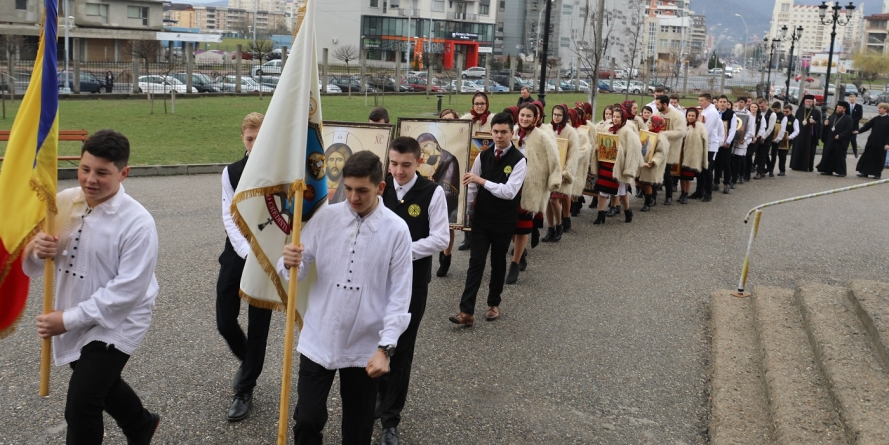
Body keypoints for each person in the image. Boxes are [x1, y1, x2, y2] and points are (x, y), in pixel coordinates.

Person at [25, 129, 160, 444]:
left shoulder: (139, 224)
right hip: (73, 306)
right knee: (101, 383)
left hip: (120, 319)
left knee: (82, 403)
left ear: (123, 173)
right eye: (85, 169)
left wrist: (66, 320)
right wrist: (37, 248)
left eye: (102, 173)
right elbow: (34, 257)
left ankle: (138, 425)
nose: (90, 179)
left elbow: (126, 292)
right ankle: (140, 424)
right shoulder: (62, 203)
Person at [278, 151, 413, 445]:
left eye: (362, 190)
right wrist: (288, 261)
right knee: (307, 419)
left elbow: (400, 295)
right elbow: (295, 274)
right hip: (320, 334)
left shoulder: (397, 230)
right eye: (348, 189)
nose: (353, 197)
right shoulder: (324, 218)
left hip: (366, 343)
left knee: (358, 427)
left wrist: (385, 348)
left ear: (380, 187)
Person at [378, 137, 450, 445]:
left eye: (405, 165)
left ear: (418, 163)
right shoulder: (381, 188)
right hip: (378, 283)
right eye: (393, 164)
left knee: (401, 350)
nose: (398, 171)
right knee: (377, 344)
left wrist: (401, 251)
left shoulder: (432, 193)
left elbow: (440, 238)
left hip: (412, 284)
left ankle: (390, 419)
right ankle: (376, 401)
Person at [217, 112, 273, 422]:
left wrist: (263, 255)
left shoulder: (278, 173)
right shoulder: (231, 172)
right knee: (225, 321)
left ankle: (245, 388)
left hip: (267, 258)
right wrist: (246, 251)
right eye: (250, 138)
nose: (254, 143)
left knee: (258, 325)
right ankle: (250, 361)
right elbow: (229, 214)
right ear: (243, 138)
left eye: (260, 138)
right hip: (237, 253)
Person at [450, 112, 527, 326]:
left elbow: (509, 191)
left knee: (498, 261)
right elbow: (471, 184)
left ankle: (494, 304)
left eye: (504, 132)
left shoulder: (519, 160)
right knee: (476, 261)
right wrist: (468, 211)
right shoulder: (483, 156)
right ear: (490, 132)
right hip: (482, 218)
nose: (499, 136)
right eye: (495, 131)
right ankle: (466, 311)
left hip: (504, 219)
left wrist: (481, 181)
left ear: (512, 133)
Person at [506, 103, 560, 283]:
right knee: (511, 224)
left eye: (529, 116)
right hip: (511, 183)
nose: (524, 119)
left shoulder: (543, 136)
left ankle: (514, 263)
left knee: (522, 225)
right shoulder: (512, 132)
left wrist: (554, 179)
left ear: (536, 118)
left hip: (531, 185)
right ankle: (520, 254)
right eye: (522, 115)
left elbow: (554, 159)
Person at [591, 104, 643, 223]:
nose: (614, 119)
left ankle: (627, 211)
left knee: (622, 192)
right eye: (614, 116)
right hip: (606, 164)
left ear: (623, 118)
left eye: (618, 117)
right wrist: (598, 147)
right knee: (602, 190)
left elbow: (634, 150)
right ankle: (600, 215)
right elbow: (602, 141)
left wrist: (621, 151)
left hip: (619, 166)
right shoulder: (607, 128)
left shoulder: (627, 132)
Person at [542, 104, 581, 241]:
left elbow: (573, 155)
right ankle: (550, 228)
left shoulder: (570, 132)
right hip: (548, 170)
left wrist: (567, 173)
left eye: (559, 115)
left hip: (561, 171)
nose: (556, 117)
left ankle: (560, 224)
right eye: (554, 114)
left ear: (564, 116)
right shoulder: (546, 129)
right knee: (547, 199)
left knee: (554, 199)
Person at [435, 108, 462, 277]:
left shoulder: (460, 139)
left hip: (447, 182)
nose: (447, 123)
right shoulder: (434, 140)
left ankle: (446, 256)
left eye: (451, 120)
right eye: (444, 120)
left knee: (448, 224)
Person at [656, 95, 687, 206]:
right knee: (655, 172)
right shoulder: (656, 114)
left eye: (658, 104)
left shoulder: (677, 115)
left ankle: (668, 196)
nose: (656, 106)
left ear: (664, 104)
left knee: (666, 173)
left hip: (670, 148)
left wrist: (664, 134)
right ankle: (653, 197)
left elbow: (681, 131)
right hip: (657, 148)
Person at [637, 115, 669, 211]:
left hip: (650, 164)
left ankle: (647, 203)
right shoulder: (645, 134)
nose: (648, 124)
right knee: (640, 181)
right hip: (643, 161)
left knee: (647, 183)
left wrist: (654, 160)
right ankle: (648, 196)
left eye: (651, 123)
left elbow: (661, 152)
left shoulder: (660, 138)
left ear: (656, 124)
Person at [694, 93, 721, 202]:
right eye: (699, 100)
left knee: (707, 169)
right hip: (702, 144)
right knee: (699, 169)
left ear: (708, 101)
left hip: (709, 145)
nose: (700, 102)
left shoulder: (712, 112)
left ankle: (708, 193)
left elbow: (706, 129)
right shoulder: (704, 110)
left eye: (702, 100)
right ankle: (699, 191)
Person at [677, 107, 708, 204]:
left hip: (692, 155)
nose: (690, 117)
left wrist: (703, 156)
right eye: (689, 115)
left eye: (692, 116)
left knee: (688, 176)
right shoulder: (683, 125)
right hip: (681, 154)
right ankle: (682, 192)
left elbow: (704, 141)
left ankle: (686, 193)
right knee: (681, 176)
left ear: (696, 116)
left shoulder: (700, 126)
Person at [816, 100, 854, 177]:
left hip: (840, 141)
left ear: (844, 109)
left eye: (840, 108)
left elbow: (849, 130)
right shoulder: (832, 116)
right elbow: (827, 128)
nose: (838, 109)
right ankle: (828, 170)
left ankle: (841, 172)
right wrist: (825, 125)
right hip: (830, 139)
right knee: (828, 155)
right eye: (837, 107)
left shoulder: (848, 118)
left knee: (839, 156)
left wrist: (840, 135)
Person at [854, 102, 889, 179]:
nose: (878, 110)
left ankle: (877, 173)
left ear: (885, 109)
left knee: (878, 158)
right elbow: (867, 126)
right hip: (872, 141)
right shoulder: (876, 118)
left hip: (881, 143)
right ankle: (864, 172)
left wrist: (887, 144)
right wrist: (858, 131)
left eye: (880, 108)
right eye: (878, 108)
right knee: (867, 156)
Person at [790, 95, 823, 172]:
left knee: (808, 150)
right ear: (804, 102)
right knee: (798, 149)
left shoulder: (816, 112)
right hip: (799, 135)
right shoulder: (800, 110)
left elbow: (819, 124)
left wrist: (814, 122)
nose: (808, 103)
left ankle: (807, 166)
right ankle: (795, 165)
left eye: (810, 101)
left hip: (809, 136)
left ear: (812, 102)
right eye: (806, 101)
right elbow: (795, 122)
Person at [731, 102, 759, 188]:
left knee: (740, 160)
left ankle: (737, 177)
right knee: (731, 161)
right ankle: (732, 177)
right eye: (737, 103)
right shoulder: (733, 113)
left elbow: (751, 130)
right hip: (732, 141)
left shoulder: (748, 115)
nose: (739, 105)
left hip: (743, 142)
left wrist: (744, 138)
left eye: (742, 102)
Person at [713, 96, 736, 194]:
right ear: (717, 103)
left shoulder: (731, 114)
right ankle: (716, 182)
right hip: (716, 142)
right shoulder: (714, 113)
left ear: (727, 103)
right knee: (717, 162)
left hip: (726, 142)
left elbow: (733, 129)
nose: (722, 103)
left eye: (724, 102)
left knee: (726, 163)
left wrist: (728, 141)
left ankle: (727, 183)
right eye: (720, 102)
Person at [772, 104, 799, 176]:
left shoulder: (794, 120)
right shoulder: (781, 117)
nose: (785, 113)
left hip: (786, 140)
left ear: (791, 111)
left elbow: (797, 131)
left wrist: (790, 137)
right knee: (775, 153)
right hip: (777, 138)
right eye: (784, 111)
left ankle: (782, 170)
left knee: (782, 155)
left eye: (787, 111)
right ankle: (770, 169)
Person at [753, 98, 777, 179]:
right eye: (759, 106)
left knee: (762, 155)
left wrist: (763, 137)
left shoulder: (772, 114)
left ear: (767, 105)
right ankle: (767, 168)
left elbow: (770, 128)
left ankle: (760, 172)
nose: (761, 108)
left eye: (762, 106)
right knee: (760, 154)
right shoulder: (759, 113)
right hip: (759, 136)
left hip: (766, 137)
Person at [765, 102, 785, 177]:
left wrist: (777, 139)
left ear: (779, 108)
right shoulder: (771, 115)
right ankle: (769, 165)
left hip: (776, 139)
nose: (774, 111)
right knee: (765, 152)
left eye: (775, 110)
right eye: (773, 109)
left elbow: (782, 129)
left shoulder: (783, 117)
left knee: (773, 154)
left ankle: (771, 170)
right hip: (769, 137)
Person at [848, 93, 863, 158]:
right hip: (847, 126)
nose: (852, 100)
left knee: (853, 140)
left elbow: (860, 116)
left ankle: (855, 152)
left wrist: (853, 121)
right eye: (851, 99)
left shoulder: (859, 107)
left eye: (853, 99)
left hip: (854, 126)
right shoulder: (847, 106)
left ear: (855, 99)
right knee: (846, 140)